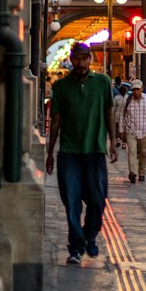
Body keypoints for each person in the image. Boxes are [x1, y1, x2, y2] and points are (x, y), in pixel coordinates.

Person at [46, 42, 118, 263]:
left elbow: (109, 112)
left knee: (98, 200)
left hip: (95, 151)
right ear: (71, 59)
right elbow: (55, 121)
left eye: (85, 58)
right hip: (69, 153)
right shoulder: (60, 87)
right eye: (77, 58)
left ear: (90, 59)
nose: (81, 62)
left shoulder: (103, 82)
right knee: (71, 201)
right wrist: (50, 152)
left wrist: (113, 142)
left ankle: (90, 236)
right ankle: (76, 248)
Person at [116, 77, 146, 183]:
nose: (136, 92)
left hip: (144, 130)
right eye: (134, 90)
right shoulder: (127, 100)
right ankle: (133, 172)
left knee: (143, 153)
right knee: (131, 151)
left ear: (142, 89)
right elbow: (122, 116)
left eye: (138, 89)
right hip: (130, 130)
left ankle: (141, 172)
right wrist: (121, 130)